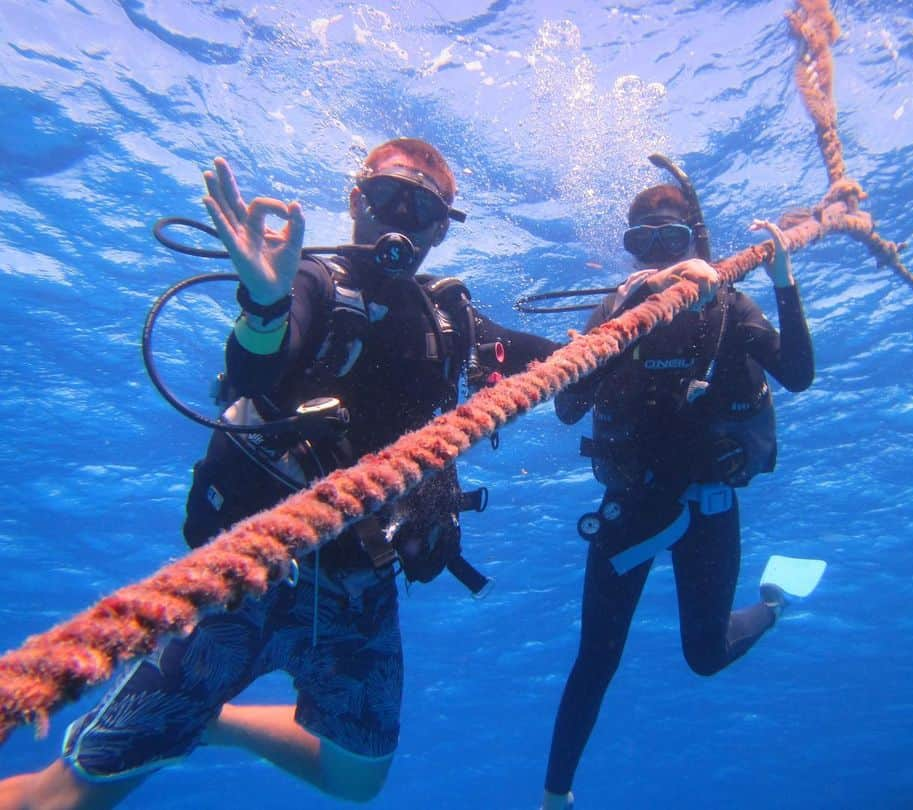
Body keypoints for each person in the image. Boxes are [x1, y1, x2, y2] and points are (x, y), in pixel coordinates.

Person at [0, 137, 558, 809]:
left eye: (424, 212)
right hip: (253, 579)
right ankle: (175, 724)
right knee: (72, 797)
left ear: (442, 231)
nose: (400, 222)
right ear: (357, 202)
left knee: (357, 777)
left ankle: (217, 724)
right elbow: (255, 368)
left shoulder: (451, 322)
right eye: (387, 198)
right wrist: (264, 305)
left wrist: (651, 306)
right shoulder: (315, 283)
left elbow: (562, 356)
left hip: (360, 590)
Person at [540, 165, 815, 809]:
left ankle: (773, 604)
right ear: (631, 251)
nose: (660, 256)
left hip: (708, 505)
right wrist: (626, 315)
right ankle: (555, 799)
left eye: (670, 239)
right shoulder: (619, 309)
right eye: (643, 243)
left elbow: (798, 374)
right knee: (594, 661)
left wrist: (782, 280)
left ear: (694, 241)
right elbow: (566, 407)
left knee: (707, 655)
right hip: (629, 509)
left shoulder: (726, 305)